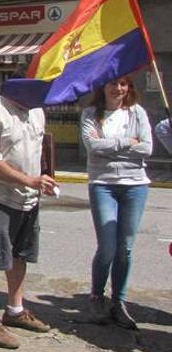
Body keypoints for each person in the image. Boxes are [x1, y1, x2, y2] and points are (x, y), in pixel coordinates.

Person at [0, 86, 58, 349]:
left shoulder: (37, 112)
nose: (42, 96)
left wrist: (45, 177)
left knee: (21, 255)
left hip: (29, 199)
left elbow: (40, 148)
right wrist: (30, 180)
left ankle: (15, 310)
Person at [80, 76, 152, 329]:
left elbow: (147, 148)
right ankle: (96, 296)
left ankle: (118, 301)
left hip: (136, 185)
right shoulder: (91, 114)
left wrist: (110, 147)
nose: (118, 88)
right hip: (103, 185)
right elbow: (92, 146)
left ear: (129, 87)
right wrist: (128, 143)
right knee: (107, 246)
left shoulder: (137, 113)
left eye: (123, 84)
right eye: (113, 83)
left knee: (126, 247)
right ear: (102, 87)